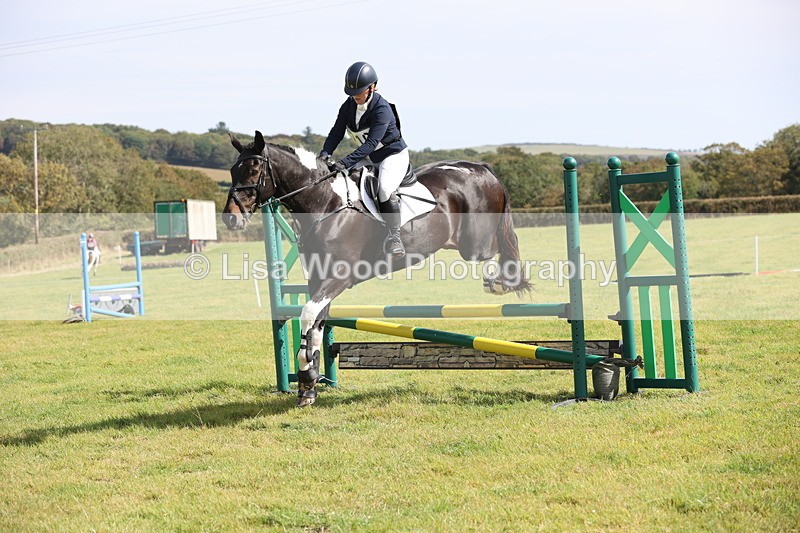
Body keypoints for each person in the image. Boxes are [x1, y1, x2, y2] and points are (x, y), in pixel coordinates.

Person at [319, 61, 409, 258]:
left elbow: (371, 143)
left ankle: (395, 237)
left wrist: (344, 162)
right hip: (369, 157)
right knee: (342, 181)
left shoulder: (382, 109)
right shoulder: (348, 106)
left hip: (392, 155)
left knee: (384, 189)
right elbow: (336, 132)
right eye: (352, 93)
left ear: (373, 87)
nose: (355, 96)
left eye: (359, 92)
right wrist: (325, 153)